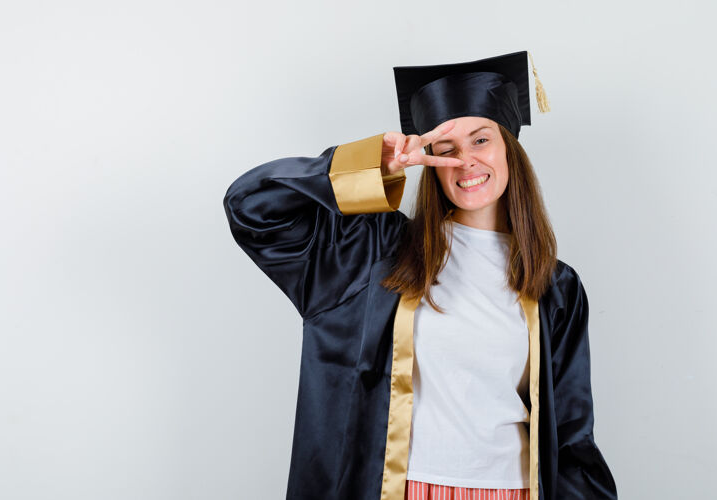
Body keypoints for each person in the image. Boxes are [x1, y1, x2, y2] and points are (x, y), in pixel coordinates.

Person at [223, 51, 617, 500]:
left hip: (513, 490)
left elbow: (570, 434)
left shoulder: (554, 286)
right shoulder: (373, 253)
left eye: (481, 140)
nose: (465, 161)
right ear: (430, 164)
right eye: (446, 150)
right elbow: (250, 208)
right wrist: (372, 166)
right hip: (400, 489)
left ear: (509, 147)